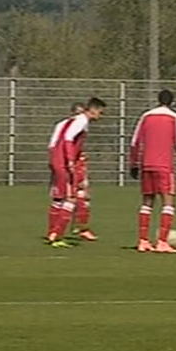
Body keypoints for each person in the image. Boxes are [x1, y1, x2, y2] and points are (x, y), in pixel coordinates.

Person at [129, 89, 176, 254]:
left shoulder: (146, 116)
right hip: (164, 166)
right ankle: (162, 242)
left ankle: (143, 241)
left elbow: (134, 142)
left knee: (147, 203)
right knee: (168, 203)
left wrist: (134, 164)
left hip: (146, 165)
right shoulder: (174, 117)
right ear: (172, 102)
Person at [46, 97, 106, 247]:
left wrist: (55, 158)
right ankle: (57, 236)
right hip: (64, 161)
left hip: (56, 159)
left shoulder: (65, 122)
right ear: (93, 110)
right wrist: (70, 160)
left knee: (59, 198)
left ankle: (53, 232)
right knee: (72, 197)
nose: (101, 116)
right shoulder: (82, 121)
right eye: (101, 112)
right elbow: (67, 139)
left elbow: (53, 142)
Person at [69, 102, 98, 241]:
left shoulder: (80, 125)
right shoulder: (76, 125)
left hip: (79, 162)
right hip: (74, 164)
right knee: (77, 196)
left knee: (83, 196)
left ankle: (80, 226)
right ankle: (79, 227)